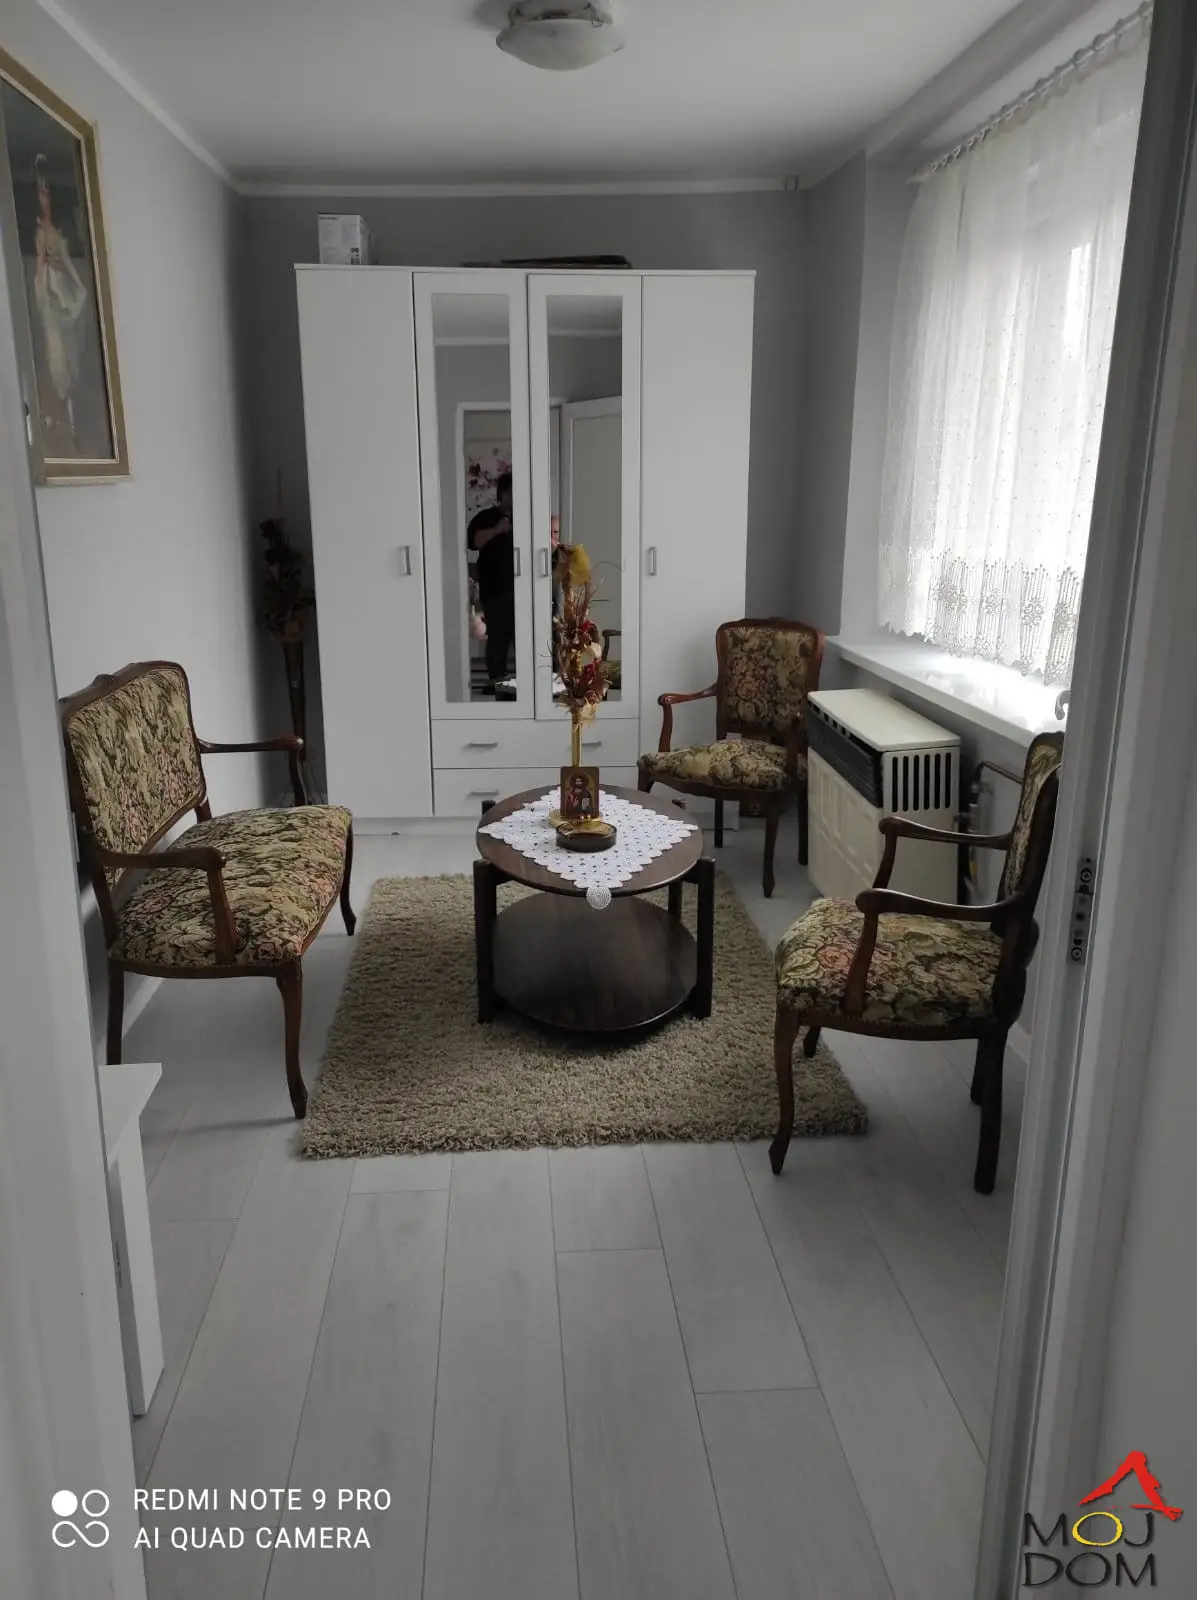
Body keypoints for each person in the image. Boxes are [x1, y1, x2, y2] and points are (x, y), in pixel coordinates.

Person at [467, 503, 514, 690]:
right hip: (494, 589)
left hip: (525, 589)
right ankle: (497, 680)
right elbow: (473, 543)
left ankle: (529, 684)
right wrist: (497, 529)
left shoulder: (528, 514)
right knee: (497, 635)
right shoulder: (486, 517)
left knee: (526, 636)